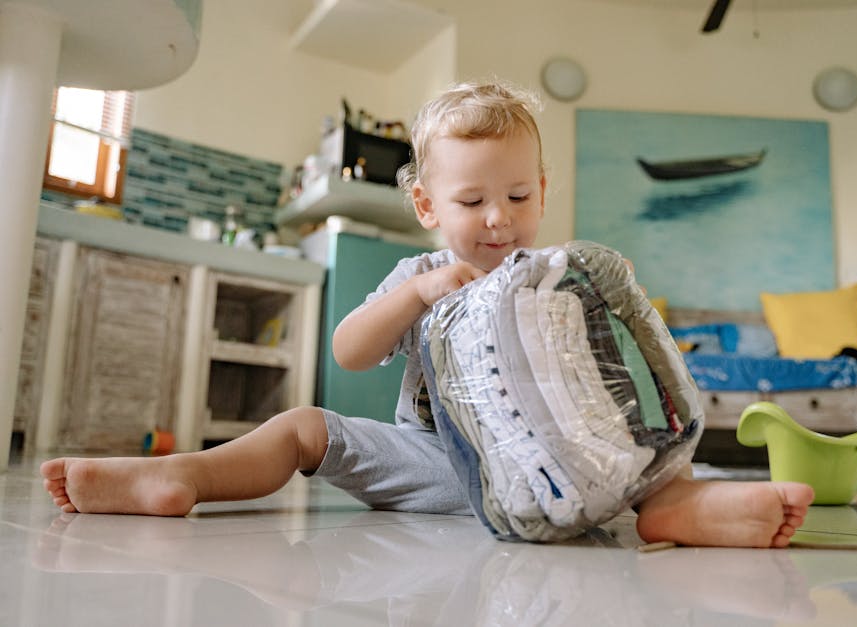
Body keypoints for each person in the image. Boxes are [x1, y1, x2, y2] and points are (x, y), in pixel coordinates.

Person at [41, 81, 814, 548]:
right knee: (306, 423)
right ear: (425, 204)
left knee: (639, 464)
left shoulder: (551, 280)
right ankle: (182, 476)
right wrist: (413, 296)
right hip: (438, 464)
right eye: (472, 201)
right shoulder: (422, 275)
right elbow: (347, 350)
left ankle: (678, 510)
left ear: (542, 191)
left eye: (517, 197)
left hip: (550, 468)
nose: (497, 220)